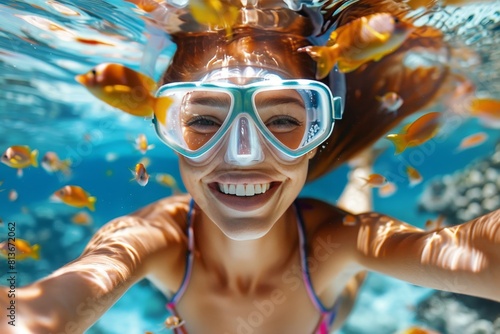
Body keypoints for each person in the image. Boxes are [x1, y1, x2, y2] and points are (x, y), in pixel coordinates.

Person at [1, 1, 499, 333]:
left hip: (332, 295)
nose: (244, 154)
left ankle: (359, 168)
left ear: (316, 135)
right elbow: (50, 305)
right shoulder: (154, 237)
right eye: (202, 120)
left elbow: (463, 254)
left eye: (282, 119)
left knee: (356, 206)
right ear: (165, 128)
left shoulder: (338, 241)